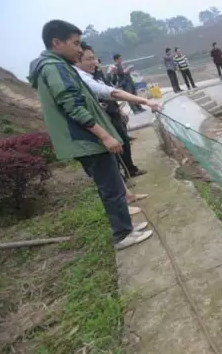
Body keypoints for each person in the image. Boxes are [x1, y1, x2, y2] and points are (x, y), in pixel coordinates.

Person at [29, 20, 153, 250]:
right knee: (110, 188)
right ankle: (123, 234)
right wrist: (105, 136)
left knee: (114, 185)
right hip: (87, 140)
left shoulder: (58, 65)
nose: (79, 48)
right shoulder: (54, 67)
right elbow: (73, 106)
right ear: (56, 42)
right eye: (75, 43)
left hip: (86, 140)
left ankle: (126, 227)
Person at [75, 42, 158, 179]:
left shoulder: (95, 73)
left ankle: (130, 170)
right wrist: (145, 101)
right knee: (115, 148)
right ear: (77, 60)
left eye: (94, 58)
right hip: (103, 118)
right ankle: (123, 178)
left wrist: (119, 109)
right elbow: (111, 91)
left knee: (123, 141)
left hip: (113, 112)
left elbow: (109, 90)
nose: (94, 62)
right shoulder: (81, 78)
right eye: (89, 59)